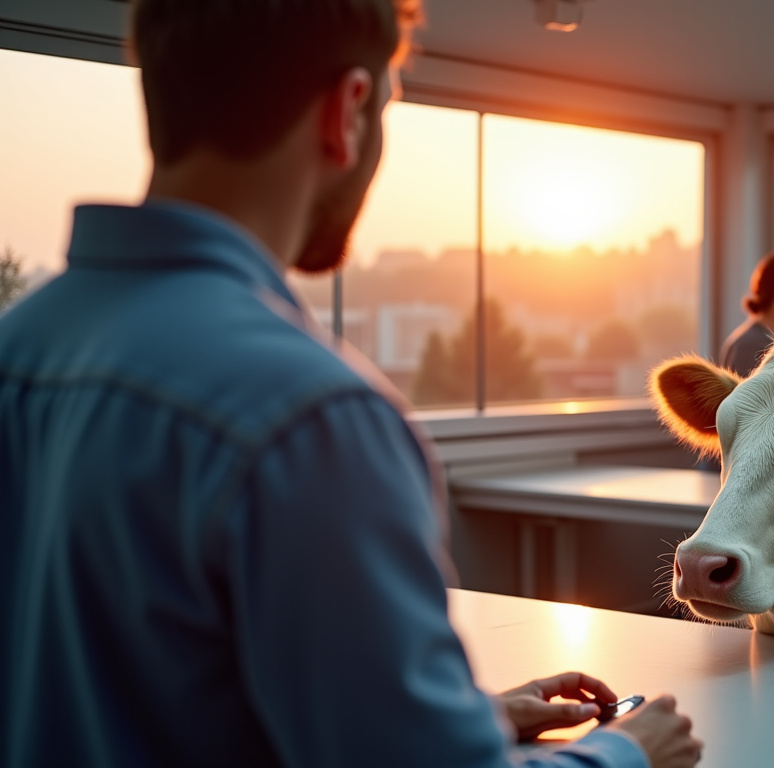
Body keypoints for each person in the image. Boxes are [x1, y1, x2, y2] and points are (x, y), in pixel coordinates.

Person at [0, 2, 700, 767]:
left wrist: (461, 719)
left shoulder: (19, 347)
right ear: (349, 111)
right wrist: (627, 754)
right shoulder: (313, 418)